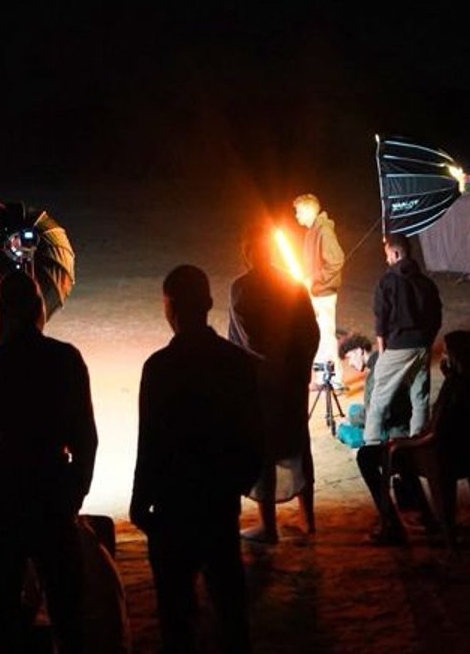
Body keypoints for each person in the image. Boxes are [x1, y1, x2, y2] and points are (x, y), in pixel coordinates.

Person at [0, 269, 98, 654]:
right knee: (67, 615)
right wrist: (74, 493)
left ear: (1, 311)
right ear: (39, 310)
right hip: (52, 494)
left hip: (3, 499)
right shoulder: (65, 359)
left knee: (2, 619)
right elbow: (86, 439)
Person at [131, 264, 263, 654]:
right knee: (230, 607)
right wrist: (234, 484)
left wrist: (141, 500)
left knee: (176, 615)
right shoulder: (236, 363)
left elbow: (149, 441)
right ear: (208, 303)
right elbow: (254, 436)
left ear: (169, 307)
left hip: (172, 504)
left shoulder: (159, 367)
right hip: (219, 501)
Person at [357, 330, 470, 546]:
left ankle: (393, 526)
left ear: (453, 357)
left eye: (445, 353)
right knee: (401, 455)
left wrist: (404, 442)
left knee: (367, 456)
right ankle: (426, 517)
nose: (442, 357)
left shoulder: (455, 385)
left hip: (441, 455)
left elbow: (436, 431)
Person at [227, 220, 322, 544]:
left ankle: (268, 526)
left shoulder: (242, 288)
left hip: (261, 384)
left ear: (247, 252)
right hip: (291, 381)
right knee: (298, 444)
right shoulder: (291, 285)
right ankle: (308, 520)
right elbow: (311, 333)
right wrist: (298, 368)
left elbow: (244, 341)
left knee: (263, 450)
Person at [362, 232, 442, 447]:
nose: (386, 259)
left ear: (396, 254)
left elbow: (381, 320)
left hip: (398, 345)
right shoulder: (426, 283)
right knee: (420, 397)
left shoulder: (388, 282)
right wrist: (427, 341)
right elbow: (437, 316)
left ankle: (371, 444)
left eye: (387, 254)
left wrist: (383, 352)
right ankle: (419, 442)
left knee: (379, 397)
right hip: (422, 345)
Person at [295, 193, 345, 374]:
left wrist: (314, 279)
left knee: (325, 336)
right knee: (317, 335)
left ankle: (334, 378)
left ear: (309, 211)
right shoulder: (312, 231)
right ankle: (322, 376)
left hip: (324, 293)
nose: (296, 216)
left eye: (299, 211)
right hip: (316, 291)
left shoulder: (323, 231)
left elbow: (336, 261)